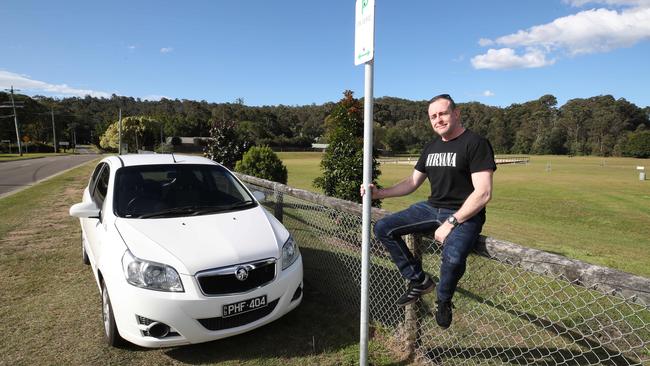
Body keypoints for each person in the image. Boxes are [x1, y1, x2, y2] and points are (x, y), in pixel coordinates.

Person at [360, 94, 496, 329]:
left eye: (442, 113)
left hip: (464, 214)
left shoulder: (476, 143)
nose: (438, 119)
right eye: (433, 116)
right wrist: (379, 193)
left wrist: (452, 222)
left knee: (452, 258)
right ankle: (420, 280)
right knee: (383, 227)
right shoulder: (431, 147)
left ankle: (443, 300)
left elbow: (483, 193)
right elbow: (412, 183)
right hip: (431, 207)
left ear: (456, 113)